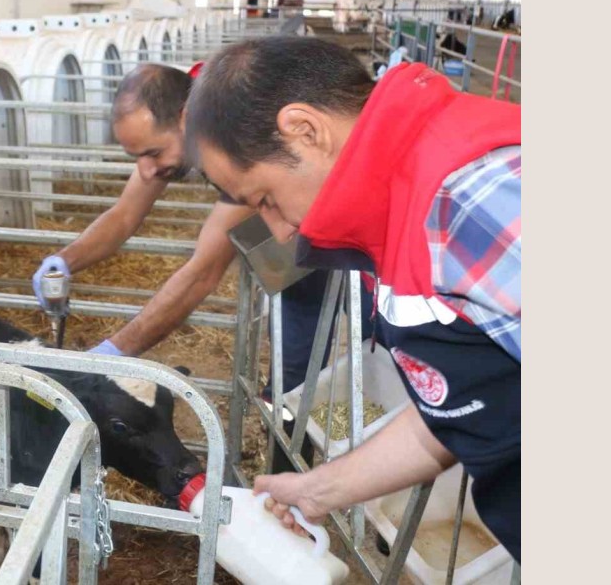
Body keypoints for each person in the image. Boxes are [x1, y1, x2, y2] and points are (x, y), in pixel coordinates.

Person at [186, 36, 521, 562]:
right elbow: (457, 402)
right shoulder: (400, 211)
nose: (277, 231)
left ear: (305, 130)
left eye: (266, 199)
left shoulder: (473, 203)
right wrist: (319, 490)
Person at [31, 63, 372, 474]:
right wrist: (65, 260)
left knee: (380, 352)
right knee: (292, 377)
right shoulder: (184, 121)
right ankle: (289, 478)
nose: (146, 170)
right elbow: (124, 216)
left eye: (153, 153)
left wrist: (113, 353)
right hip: (296, 249)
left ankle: (386, 485)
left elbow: (202, 273)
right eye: (136, 157)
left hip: (358, 235)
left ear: (185, 119)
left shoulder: (239, 135)